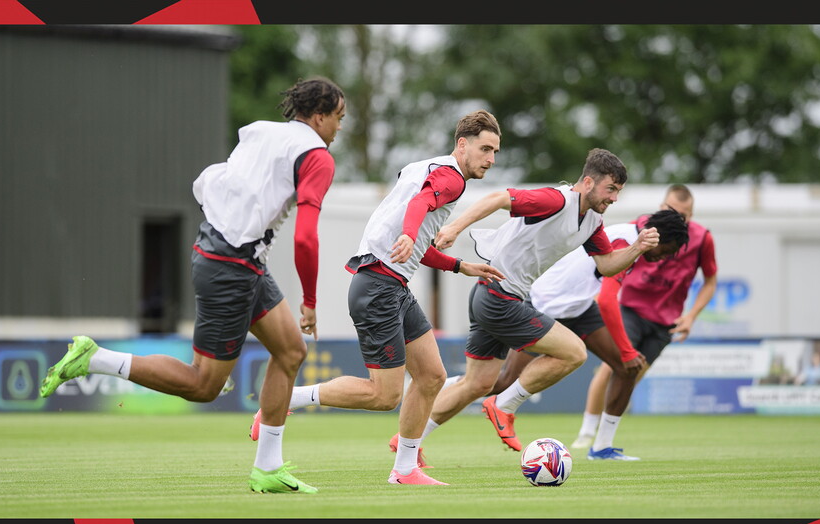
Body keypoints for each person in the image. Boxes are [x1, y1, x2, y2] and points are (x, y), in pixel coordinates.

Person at [38, 76, 347, 494]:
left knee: (291, 351)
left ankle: (267, 468)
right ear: (320, 116)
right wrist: (309, 300)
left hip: (227, 252)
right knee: (205, 385)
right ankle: (95, 358)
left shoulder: (263, 133)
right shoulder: (317, 157)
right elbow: (306, 237)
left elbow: (226, 182)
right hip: (232, 264)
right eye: (339, 118)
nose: (340, 127)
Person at [251, 110, 506, 485]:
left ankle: (405, 470)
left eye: (496, 152)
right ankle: (289, 399)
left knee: (432, 376)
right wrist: (408, 233)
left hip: (389, 284)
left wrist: (458, 265)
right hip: (379, 287)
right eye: (485, 149)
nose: (491, 159)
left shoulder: (424, 167)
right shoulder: (452, 178)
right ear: (462, 144)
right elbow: (417, 211)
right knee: (384, 395)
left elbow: (415, 243)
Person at [406, 148, 660, 457]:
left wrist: (637, 248)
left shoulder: (592, 221)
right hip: (499, 296)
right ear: (590, 182)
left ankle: (407, 443)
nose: (615, 199)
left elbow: (606, 265)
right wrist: (454, 227)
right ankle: (504, 406)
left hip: (492, 294)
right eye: (611, 190)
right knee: (574, 352)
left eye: (619, 191)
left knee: (477, 383)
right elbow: (499, 198)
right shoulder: (556, 200)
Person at [444, 209, 689, 460]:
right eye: (667, 251)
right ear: (660, 238)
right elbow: (606, 301)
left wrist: (626, 355)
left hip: (579, 308)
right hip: (547, 305)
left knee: (627, 368)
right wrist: (627, 349)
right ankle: (440, 386)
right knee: (503, 382)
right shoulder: (625, 242)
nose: (663, 259)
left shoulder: (632, 236)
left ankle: (603, 447)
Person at [569, 183, 718, 454]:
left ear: (691, 216)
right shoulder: (638, 229)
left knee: (632, 374)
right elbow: (611, 262)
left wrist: (692, 316)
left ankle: (603, 443)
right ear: (661, 207)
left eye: (684, 214)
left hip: (666, 321)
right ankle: (586, 434)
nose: (677, 217)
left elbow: (710, 281)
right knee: (615, 367)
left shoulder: (701, 239)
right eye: (671, 210)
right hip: (630, 309)